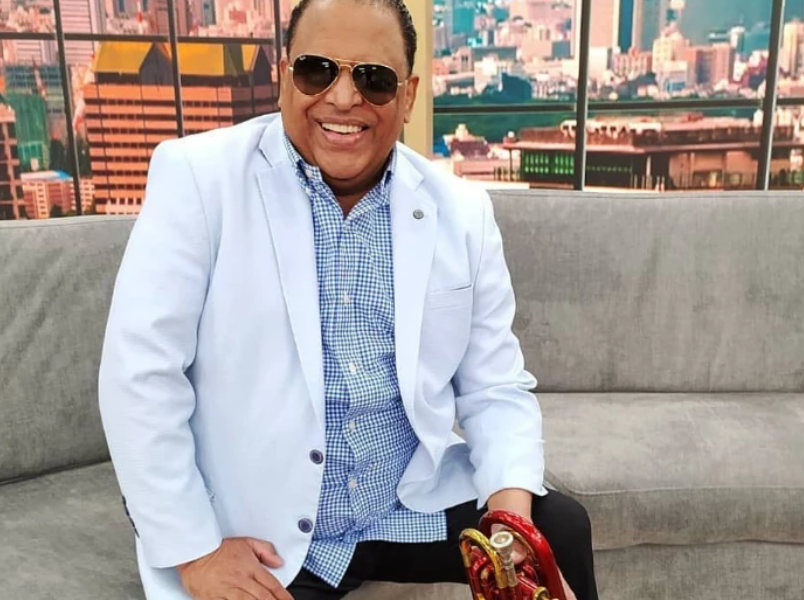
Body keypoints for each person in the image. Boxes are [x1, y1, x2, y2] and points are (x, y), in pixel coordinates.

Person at [98, 0, 599, 599]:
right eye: (317, 71)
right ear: (284, 75)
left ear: (408, 96)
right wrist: (197, 553)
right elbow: (139, 377)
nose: (342, 98)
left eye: (373, 78)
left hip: (401, 504)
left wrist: (512, 530)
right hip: (266, 529)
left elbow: (494, 387)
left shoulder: (462, 212)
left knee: (559, 531)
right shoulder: (198, 179)